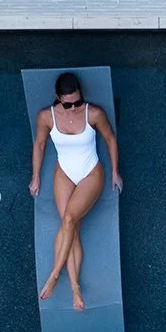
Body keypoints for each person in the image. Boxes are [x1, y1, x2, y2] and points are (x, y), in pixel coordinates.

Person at [30, 71, 122, 311]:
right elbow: (39, 145)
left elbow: (110, 139)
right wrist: (36, 176)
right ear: (58, 98)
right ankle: (74, 288)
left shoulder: (93, 113)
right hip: (64, 174)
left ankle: (54, 274)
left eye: (77, 102)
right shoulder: (46, 117)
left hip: (91, 173)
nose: (73, 108)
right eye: (68, 103)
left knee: (69, 220)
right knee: (70, 227)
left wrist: (114, 171)